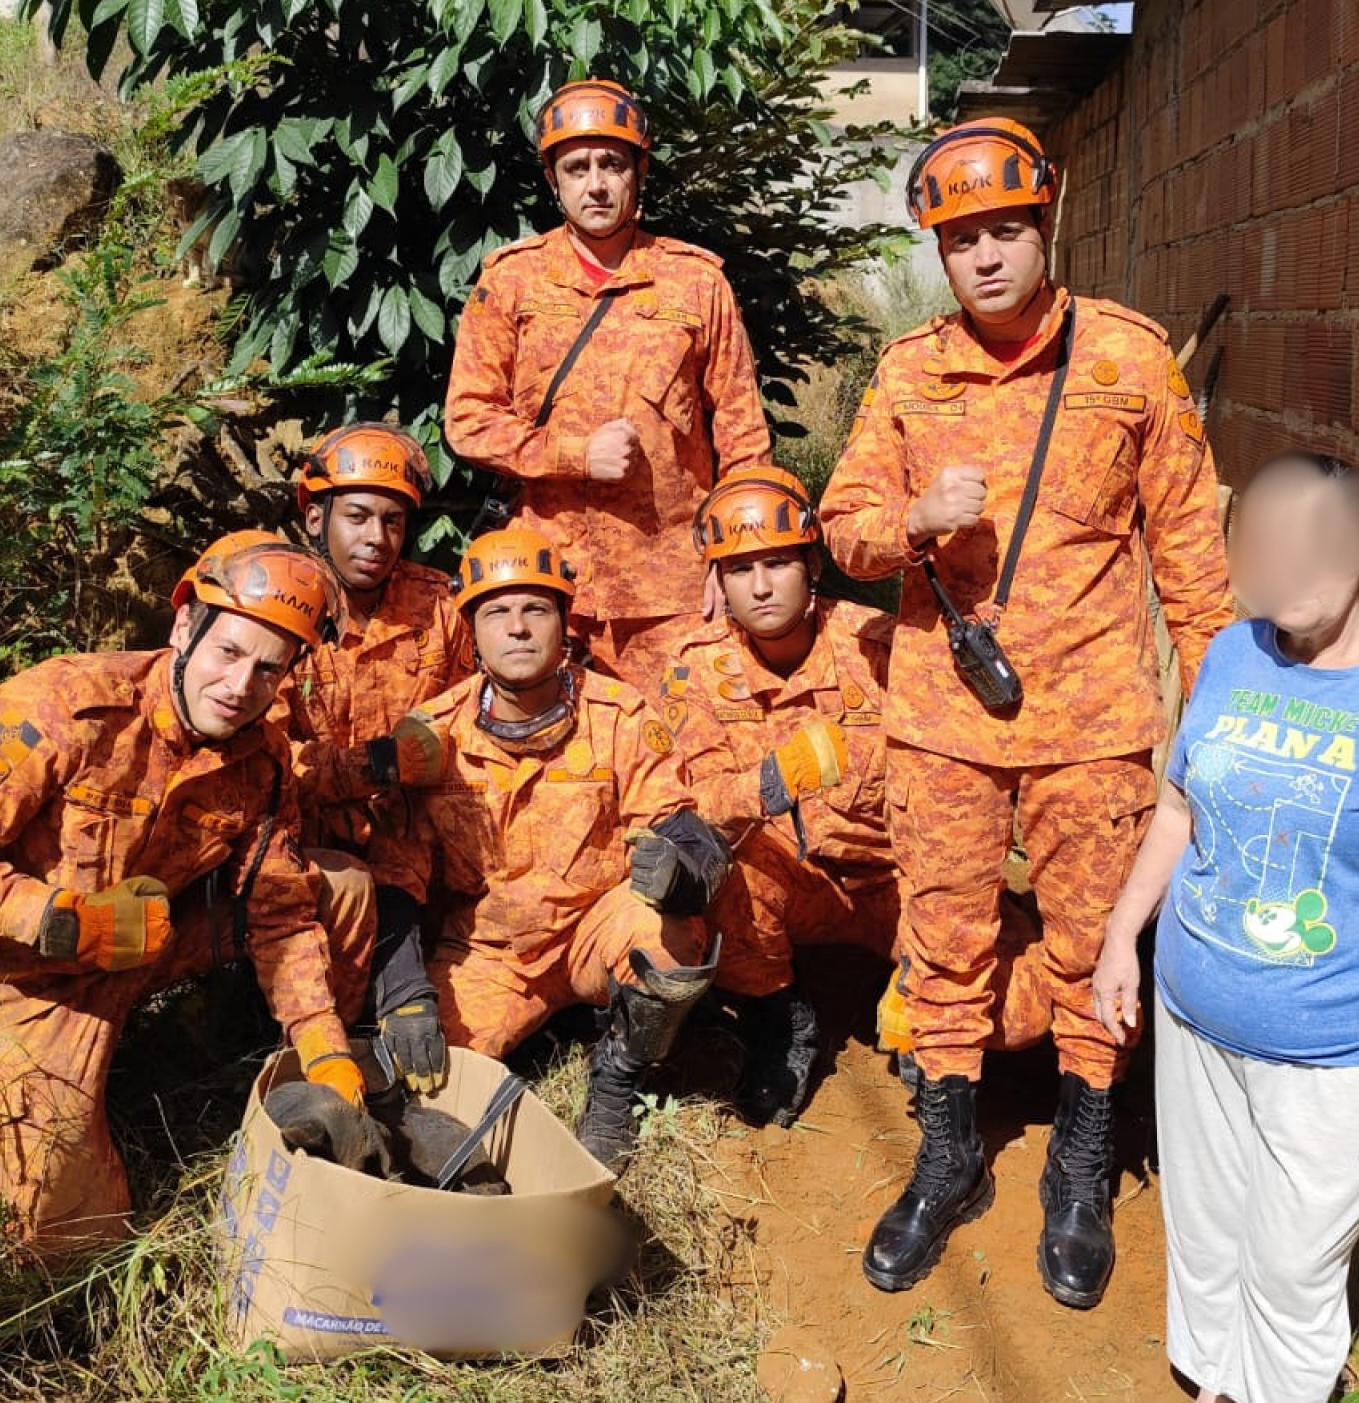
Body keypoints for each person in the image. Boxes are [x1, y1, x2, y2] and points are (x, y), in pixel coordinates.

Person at [819, 117, 1236, 1304]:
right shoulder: (910, 373)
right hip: (945, 720)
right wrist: (912, 521)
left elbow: (1192, 560)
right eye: (963, 240)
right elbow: (841, 527)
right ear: (940, 252)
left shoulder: (1129, 359)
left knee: (1091, 944)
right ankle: (948, 1154)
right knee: (943, 937)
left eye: (1007, 230)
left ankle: (1080, 1158)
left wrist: (1211, 724)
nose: (988, 257)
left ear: (1045, 225)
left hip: (1094, 722)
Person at [1090, 453, 1359, 1403]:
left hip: (1339, 1051)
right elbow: (1179, 807)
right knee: (1205, 1230)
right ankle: (1215, 1380)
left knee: (1291, 1263)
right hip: (1194, 1017)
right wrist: (1122, 933)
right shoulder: (1233, 654)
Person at [0, 532, 372, 1257]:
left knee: (340, 885)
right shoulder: (64, 707)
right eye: (228, 652)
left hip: (143, 945)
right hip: (19, 982)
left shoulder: (261, 761)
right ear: (184, 626)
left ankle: (244, 1069)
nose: (241, 686)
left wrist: (322, 1042)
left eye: (269, 669)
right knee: (69, 1237)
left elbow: (280, 914)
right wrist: (58, 920)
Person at [364, 527, 730, 1167]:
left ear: (563, 623)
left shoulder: (618, 713)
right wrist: (404, 994)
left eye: (536, 608)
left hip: (594, 930)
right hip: (491, 954)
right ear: (471, 633)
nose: (518, 628)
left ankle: (616, 1086)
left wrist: (682, 874)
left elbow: (681, 826)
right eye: (496, 613)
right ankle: (532, 1035)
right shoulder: (433, 736)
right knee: (425, 1078)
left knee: (669, 936)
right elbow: (397, 879)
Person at [443, 78, 772, 691]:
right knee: (553, 744)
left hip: (670, 590)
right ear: (553, 179)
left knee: (682, 739)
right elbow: (468, 420)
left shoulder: (696, 283)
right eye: (577, 168)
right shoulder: (512, 282)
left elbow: (743, 439)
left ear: (638, 173)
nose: (595, 184)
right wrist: (574, 455)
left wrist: (734, 557)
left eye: (611, 165)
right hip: (545, 585)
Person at [658, 467, 897, 1127]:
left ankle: (925, 1008)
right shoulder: (696, 665)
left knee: (1017, 1009)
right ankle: (780, 1018)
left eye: (777, 563)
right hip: (787, 881)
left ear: (812, 564)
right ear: (718, 581)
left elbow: (950, 789)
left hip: (896, 879)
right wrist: (769, 783)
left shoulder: (881, 645)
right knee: (714, 864)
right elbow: (692, 799)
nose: (760, 586)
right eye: (739, 569)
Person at [271, 423, 471, 1093]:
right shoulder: (279, 606)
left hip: (414, 850)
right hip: (308, 850)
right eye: (357, 516)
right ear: (315, 517)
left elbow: (474, 720)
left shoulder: (439, 606)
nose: (376, 538)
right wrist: (375, 766)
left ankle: (401, 992)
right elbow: (268, 761)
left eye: (392, 521)